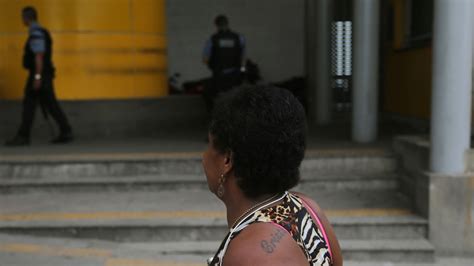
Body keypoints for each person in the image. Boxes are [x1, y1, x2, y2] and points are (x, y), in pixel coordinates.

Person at [203, 85, 343, 266]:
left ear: (227, 160)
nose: (204, 156)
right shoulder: (306, 208)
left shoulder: (253, 255)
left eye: (209, 145)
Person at [5, 6, 73, 146]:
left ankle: (23, 136)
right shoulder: (40, 31)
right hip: (44, 74)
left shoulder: (36, 32)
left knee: (30, 104)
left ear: (26, 18)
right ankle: (66, 131)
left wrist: (37, 77)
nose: (22, 20)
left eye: (22, 17)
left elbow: (39, 55)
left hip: (39, 75)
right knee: (50, 104)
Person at [202, 15, 246, 112]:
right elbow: (243, 57)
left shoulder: (212, 39)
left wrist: (213, 65)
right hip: (235, 74)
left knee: (219, 98)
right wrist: (242, 69)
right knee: (235, 98)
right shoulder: (239, 38)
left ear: (216, 25)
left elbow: (205, 59)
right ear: (227, 23)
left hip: (219, 75)